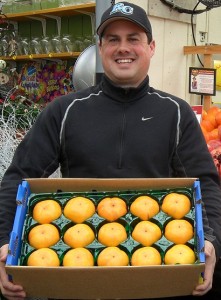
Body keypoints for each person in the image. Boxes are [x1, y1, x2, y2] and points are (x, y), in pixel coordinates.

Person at [0, 2, 221, 299]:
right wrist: (4, 242)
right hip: (78, 276)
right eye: (113, 39)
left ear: (151, 47)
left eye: (133, 38)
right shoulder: (65, 111)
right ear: (100, 47)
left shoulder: (175, 113)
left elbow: (205, 183)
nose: (123, 48)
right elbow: (19, 178)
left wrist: (212, 241)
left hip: (156, 276)